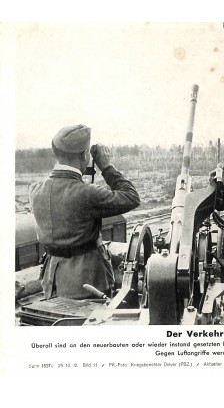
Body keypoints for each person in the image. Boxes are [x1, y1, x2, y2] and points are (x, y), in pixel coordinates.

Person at [29, 124, 141, 300]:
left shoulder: (35, 190)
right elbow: (132, 197)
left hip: (52, 281)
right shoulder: (87, 193)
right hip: (87, 282)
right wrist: (107, 167)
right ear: (84, 155)